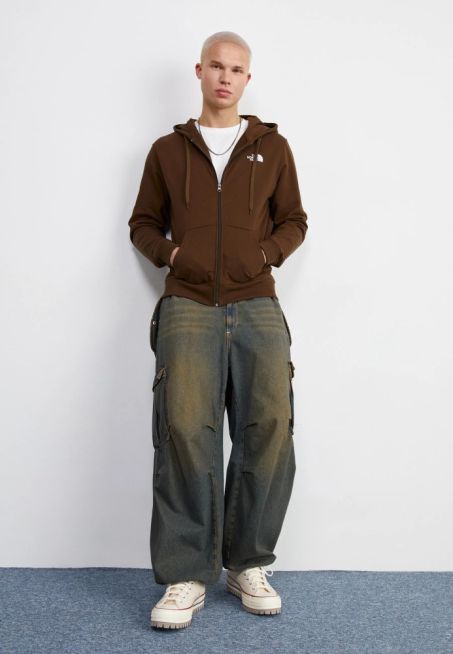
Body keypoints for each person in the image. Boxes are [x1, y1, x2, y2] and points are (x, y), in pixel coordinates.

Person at [128, 30, 308, 630]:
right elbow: (143, 224)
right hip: (186, 303)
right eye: (216, 66)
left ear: (246, 79)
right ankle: (185, 573)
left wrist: (264, 256)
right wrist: (175, 256)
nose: (225, 77)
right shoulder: (167, 150)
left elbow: (294, 220)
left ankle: (247, 563)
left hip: (257, 303)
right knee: (184, 430)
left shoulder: (272, 149)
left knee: (270, 427)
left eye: (236, 69)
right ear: (199, 71)